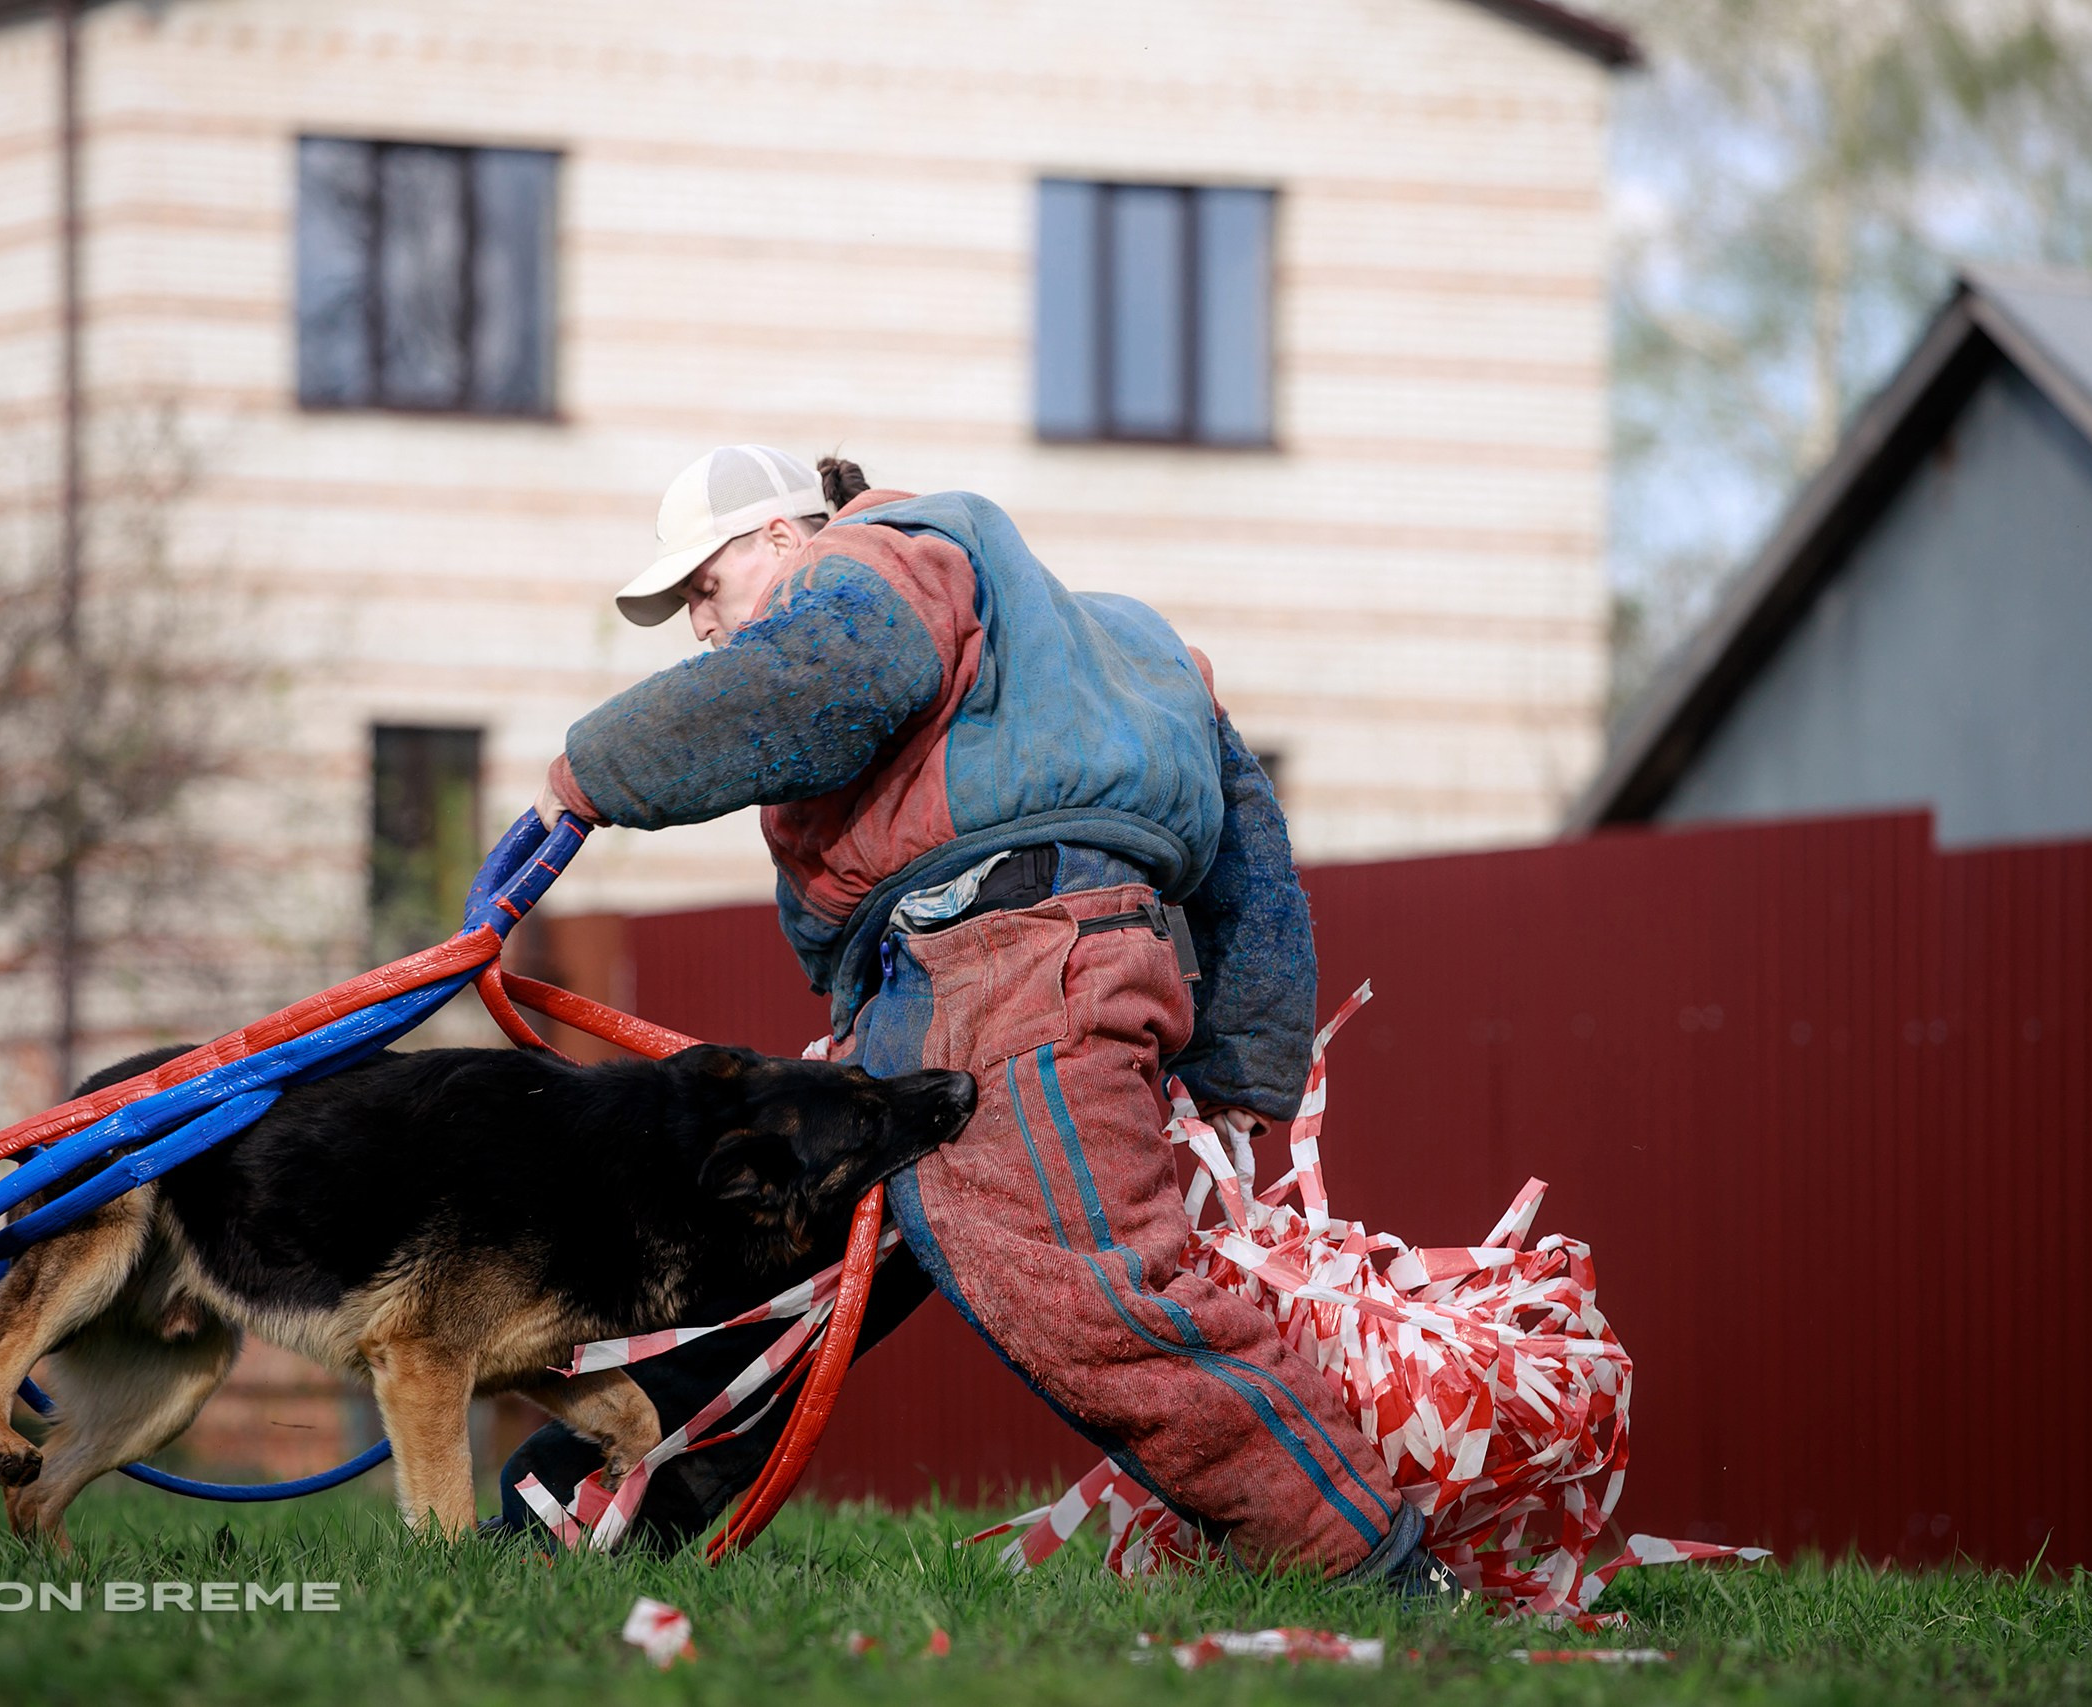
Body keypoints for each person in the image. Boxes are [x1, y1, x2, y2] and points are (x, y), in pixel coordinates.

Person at [496, 445, 1446, 1591]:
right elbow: (1251, 849)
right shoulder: (1128, 643)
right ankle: (557, 1521)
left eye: (705, 588)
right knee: (782, 1279)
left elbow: (824, 680)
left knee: (1088, 1299)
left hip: (1004, 969)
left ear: (784, 538)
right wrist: (1243, 1059)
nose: (703, 627)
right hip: (972, 976)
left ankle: (1368, 1564)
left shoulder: (864, 565)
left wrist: (584, 773)